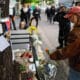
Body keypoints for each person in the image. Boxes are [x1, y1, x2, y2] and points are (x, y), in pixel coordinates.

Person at [46, 6, 80, 80]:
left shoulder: (76, 32)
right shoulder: (76, 28)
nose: (69, 19)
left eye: (71, 16)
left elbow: (69, 50)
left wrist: (53, 55)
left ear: (77, 16)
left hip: (77, 66)